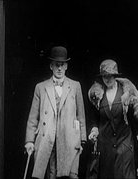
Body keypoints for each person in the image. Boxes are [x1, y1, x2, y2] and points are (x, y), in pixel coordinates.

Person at [25, 46, 87, 179]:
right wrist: (29, 141)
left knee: (69, 175)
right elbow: (33, 118)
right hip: (48, 139)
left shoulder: (75, 86)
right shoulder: (41, 87)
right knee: (50, 174)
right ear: (51, 66)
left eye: (62, 65)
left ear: (66, 66)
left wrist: (82, 140)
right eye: (56, 65)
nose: (59, 68)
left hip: (69, 139)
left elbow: (80, 116)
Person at [88, 59, 138, 179]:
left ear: (115, 76)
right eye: (105, 76)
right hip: (105, 147)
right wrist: (94, 131)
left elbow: (134, 117)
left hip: (124, 145)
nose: (108, 79)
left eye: (111, 76)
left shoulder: (125, 93)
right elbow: (94, 119)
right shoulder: (97, 95)